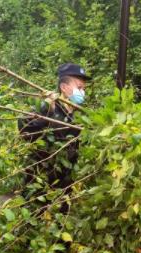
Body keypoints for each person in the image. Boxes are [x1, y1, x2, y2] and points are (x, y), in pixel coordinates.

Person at [18, 63, 90, 212]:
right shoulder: (49, 107)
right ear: (64, 87)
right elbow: (24, 127)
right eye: (79, 88)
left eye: (84, 89)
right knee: (35, 220)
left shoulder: (80, 114)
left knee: (61, 222)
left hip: (65, 182)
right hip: (40, 181)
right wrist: (46, 109)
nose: (82, 92)